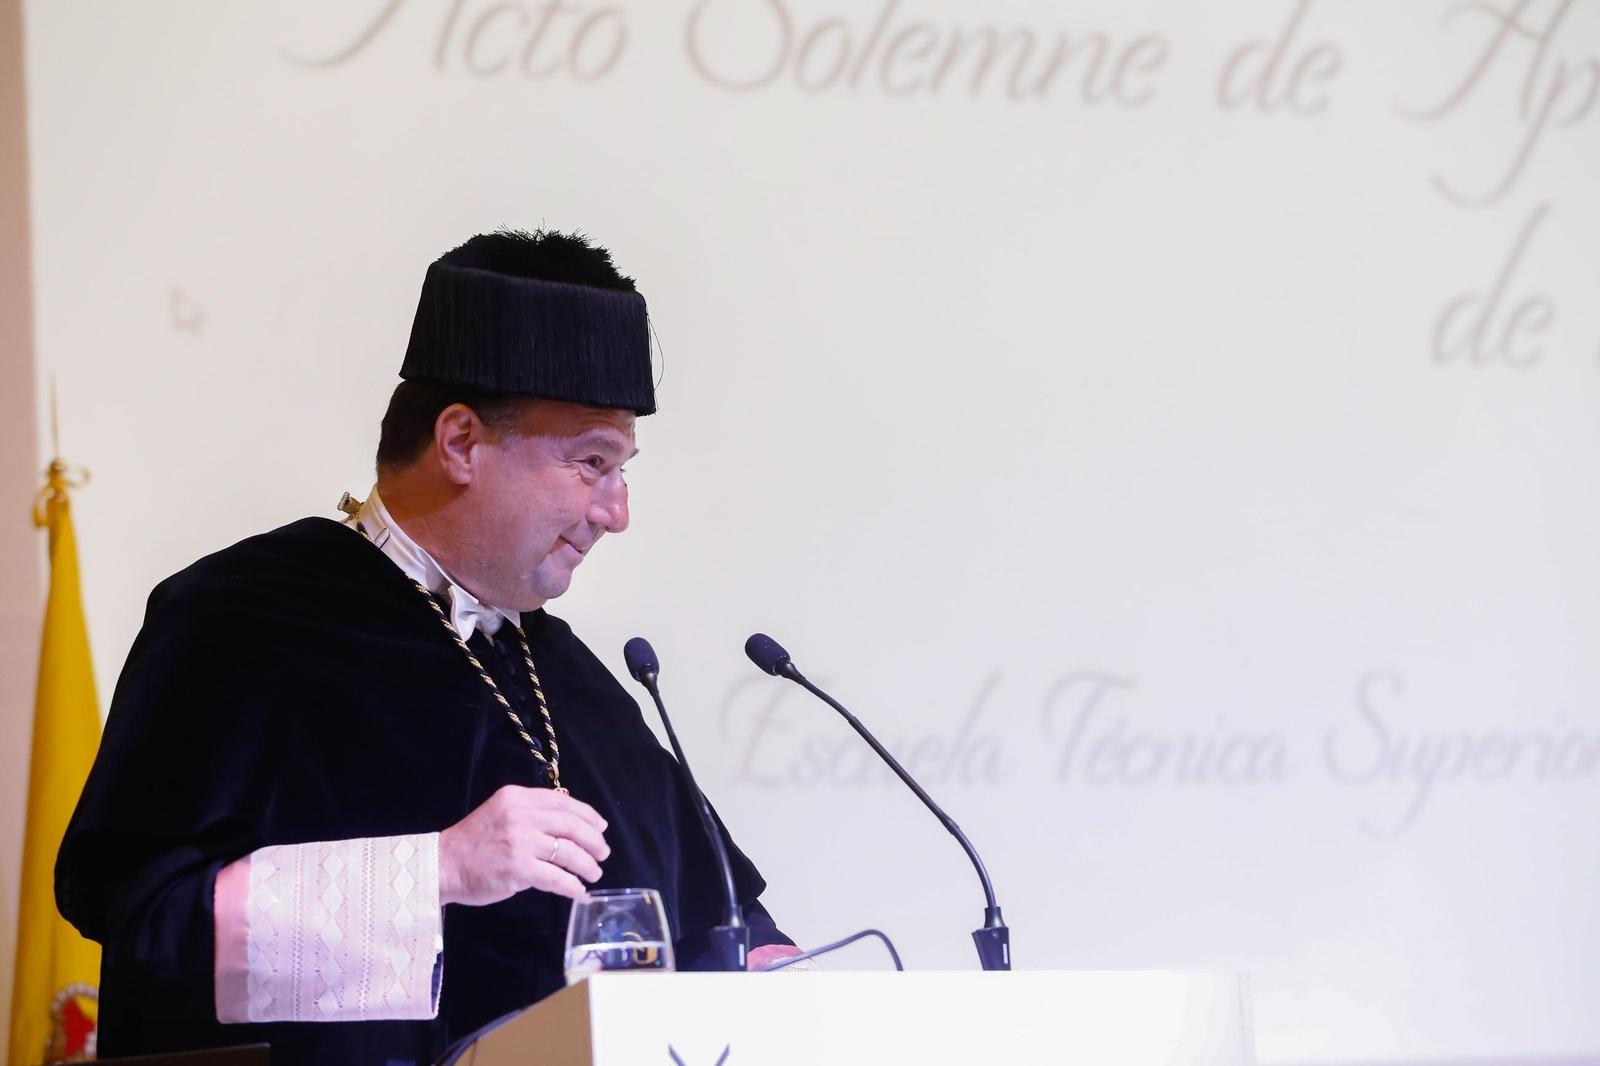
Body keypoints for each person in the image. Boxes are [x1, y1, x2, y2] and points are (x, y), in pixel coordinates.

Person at [55, 229, 800, 1065]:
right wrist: (436, 871)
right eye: (592, 462)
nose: (616, 511)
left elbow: (717, 921)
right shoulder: (240, 619)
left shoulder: (568, 674)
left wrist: (775, 971)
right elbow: (151, 934)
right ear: (460, 443)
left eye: (624, 469)